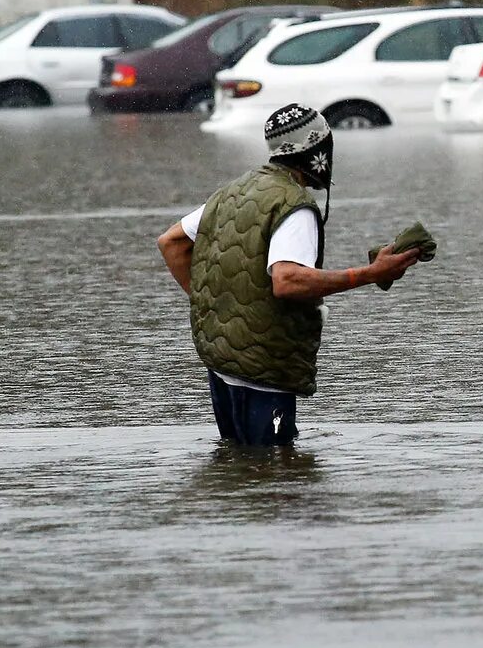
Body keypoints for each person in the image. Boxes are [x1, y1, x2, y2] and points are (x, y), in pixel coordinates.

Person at [157, 103, 419, 447]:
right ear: (315, 151)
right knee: (277, 473)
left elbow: (171, 243)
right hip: (265, 373)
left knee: (241, 468)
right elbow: (287, 280)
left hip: (222, 363)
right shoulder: (294, 206)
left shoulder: (233, 191)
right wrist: (369, 274)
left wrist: (219, 308)